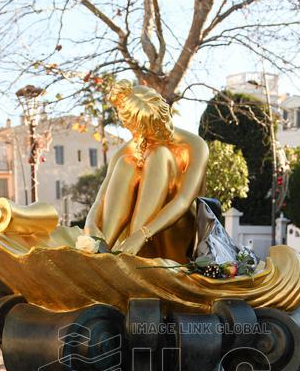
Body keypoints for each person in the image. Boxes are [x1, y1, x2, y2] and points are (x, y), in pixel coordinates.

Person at [84, 81, 208, 262]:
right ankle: (103, 250)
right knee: (126, 163)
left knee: (159, 153)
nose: (157, 134)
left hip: (176, 231)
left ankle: (127, 255)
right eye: (148, 133)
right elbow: (100, 199)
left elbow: (183, 201)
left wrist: (141, 235)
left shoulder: (195, 146)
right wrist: (91, 226)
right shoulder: (129, 149)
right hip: (133, 241)